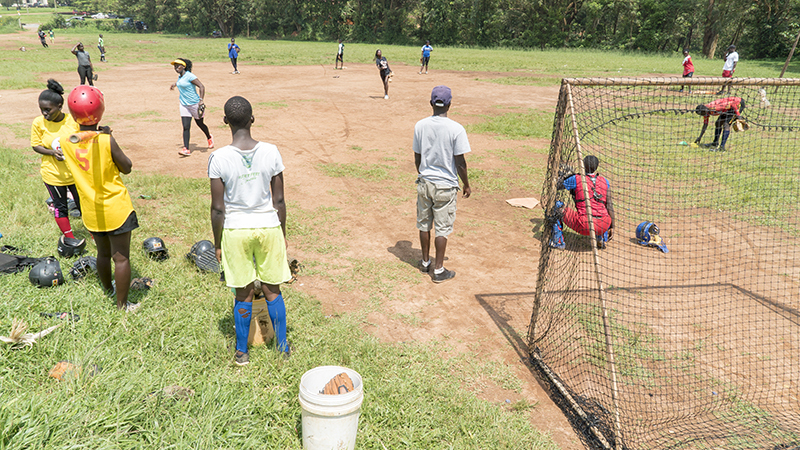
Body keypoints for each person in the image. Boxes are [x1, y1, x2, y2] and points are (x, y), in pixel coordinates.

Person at [209, 95, 292, 365]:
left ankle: (242, 352)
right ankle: (282, 347)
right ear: (252, 119)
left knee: (242, 293)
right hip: (268, 226)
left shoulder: (218, 158)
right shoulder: (271, 151)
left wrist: (218, 242)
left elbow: (218, 208)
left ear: (225, 122)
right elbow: (279, 200)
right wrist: (283, 233)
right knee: (272, 289)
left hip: (236, 230)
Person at [60, 85, 140, 312]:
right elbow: (127, 167)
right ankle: (122, 306)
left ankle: (108, 289)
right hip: (116, 206)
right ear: (101, 109)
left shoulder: (67, 142)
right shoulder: (106, 140)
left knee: (103, 253)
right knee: (121, 258)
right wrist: (108, 137)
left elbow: (76, 142)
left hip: (91, 209)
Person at [414, 85, 471, 283]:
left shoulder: (420, 125)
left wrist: (423, 174)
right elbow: (460, 162)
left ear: (431, 103)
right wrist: (466, 184)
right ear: (449, 104)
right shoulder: (456, 129)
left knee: (424, 224)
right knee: (442, 227)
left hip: (425, 181)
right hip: (446, 186)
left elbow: (417, 156)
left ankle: (424, 262)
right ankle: (438, 270)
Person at [30, 79, 84, 249]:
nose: (44, 113)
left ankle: (93, 233)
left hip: (75, 173)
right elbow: (36, 145)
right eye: (42, 110)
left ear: (60, 106)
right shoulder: (38, 123)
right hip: (53, 174)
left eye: (48, 110)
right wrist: (52, 153)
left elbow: (83, 142)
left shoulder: (72, 121)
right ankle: (69, 238)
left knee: (84, 204)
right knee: (61, 207)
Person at [549, 155, 616, 250]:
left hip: (584, 224)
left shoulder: (576, 179)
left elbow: (558, 186)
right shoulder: (605, 181)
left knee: (557, 206)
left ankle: (558, 242)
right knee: (602, 210)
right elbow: (609, 206)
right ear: (596, 167)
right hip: (604, 224)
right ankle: (600, 238)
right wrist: (612, 227)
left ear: (583, 166)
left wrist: (563, 176)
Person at [169, 58, 213, 156]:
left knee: (200, 124)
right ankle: (186, 149)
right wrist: (175, 84)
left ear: (184, 66)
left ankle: (209, 137)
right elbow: (181, 83)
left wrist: (201, 100)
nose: (176, 67)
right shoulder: (180, 77)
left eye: (178, 65)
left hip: (194, 104)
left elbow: (201, 86)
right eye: (175, 66)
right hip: (184, 105)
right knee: (186, 126)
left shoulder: (190, 76)